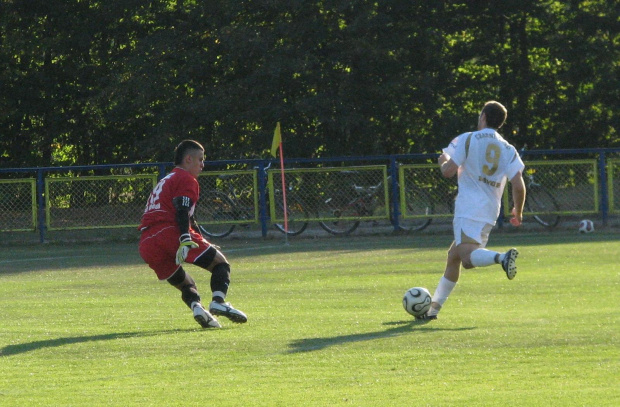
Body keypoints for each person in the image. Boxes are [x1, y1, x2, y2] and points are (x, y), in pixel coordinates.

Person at [419, 101, 526, 321]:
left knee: (466, 257)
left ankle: (502, 258)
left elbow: (448, 172)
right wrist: (518, 210)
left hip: (469, 207)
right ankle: (433, 310)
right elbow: (518, 184)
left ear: (484, 116)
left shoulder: (468, 139)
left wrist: (443, 161)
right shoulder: (508, 148)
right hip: (490, 210)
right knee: (455, 258)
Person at [138, 140, 247, 329]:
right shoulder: (186, 178)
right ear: (188, 159)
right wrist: (185, 237)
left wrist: (197, 237)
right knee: (220, 264)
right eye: (200, 160)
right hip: (170, 232)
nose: (202, 165)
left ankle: (197, 307)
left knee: (185, 283)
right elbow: (182, 209)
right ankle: (218, 302)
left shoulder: (167, 179)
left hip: (147, 242)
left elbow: (186, 214)